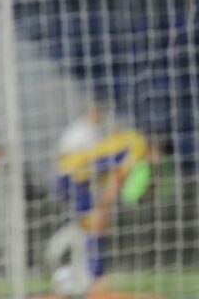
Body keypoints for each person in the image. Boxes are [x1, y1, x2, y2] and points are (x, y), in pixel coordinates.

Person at [49, 103, 152, 295]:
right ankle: (89, 274)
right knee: (96, 223)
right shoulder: (135, 148)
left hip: (73, 176)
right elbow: (116, 178)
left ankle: (84, 272)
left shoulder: (128, 141)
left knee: (92, 224)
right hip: (74, 178)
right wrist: (104, 202)